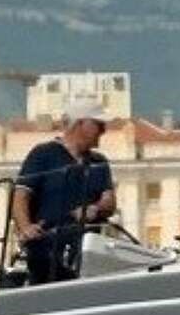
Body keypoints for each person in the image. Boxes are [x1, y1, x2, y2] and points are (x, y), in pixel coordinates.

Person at [12, 101, 117, 285]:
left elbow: (109, 201)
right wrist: (26, 228)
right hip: (47, 251)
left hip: (88, 251)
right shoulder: (43, 154)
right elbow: (21, 196)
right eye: (98, 124)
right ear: (80, 124)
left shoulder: (99, 162)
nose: (103, 130)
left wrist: (95, 209)